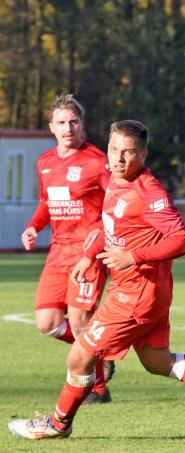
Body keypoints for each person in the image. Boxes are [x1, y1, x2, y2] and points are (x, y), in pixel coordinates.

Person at [8, 120, 185, 444]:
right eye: (113, 149)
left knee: (79, 357)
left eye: (128, 152)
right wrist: (89, 256)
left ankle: (58, 423)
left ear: (143, 155)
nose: (118, 158)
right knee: (158, 363)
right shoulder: (116, 181)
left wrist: (133, 256)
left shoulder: (148, 192)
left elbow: (182, 240)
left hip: (135, 295)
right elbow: (110, 225)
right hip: (145, 292)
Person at [21, 94, 113, 403]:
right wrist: (33, 227)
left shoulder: (97, 161)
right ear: (51, 127)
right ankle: (100, 354)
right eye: (61, 122)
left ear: (82, 124)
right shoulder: (45, 162)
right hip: (58, 253)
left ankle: (98, 388)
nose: (68, 128)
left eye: (73, 121)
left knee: (79, 321)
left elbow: (115, 204)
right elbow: (46, 203)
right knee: (46, 323)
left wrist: (100, 233)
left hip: (88, 255)